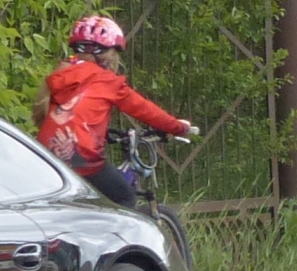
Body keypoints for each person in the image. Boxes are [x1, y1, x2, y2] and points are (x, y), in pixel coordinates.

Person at [36, 13, 197, 205]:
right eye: (114, 51)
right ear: (101, 53)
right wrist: (178, 127)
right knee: (124, 196)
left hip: (44, 154)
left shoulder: (61, 74)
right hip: (80, 157)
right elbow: (143, 109)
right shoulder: (106, 81)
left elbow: (72, 115)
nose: (115, 58)